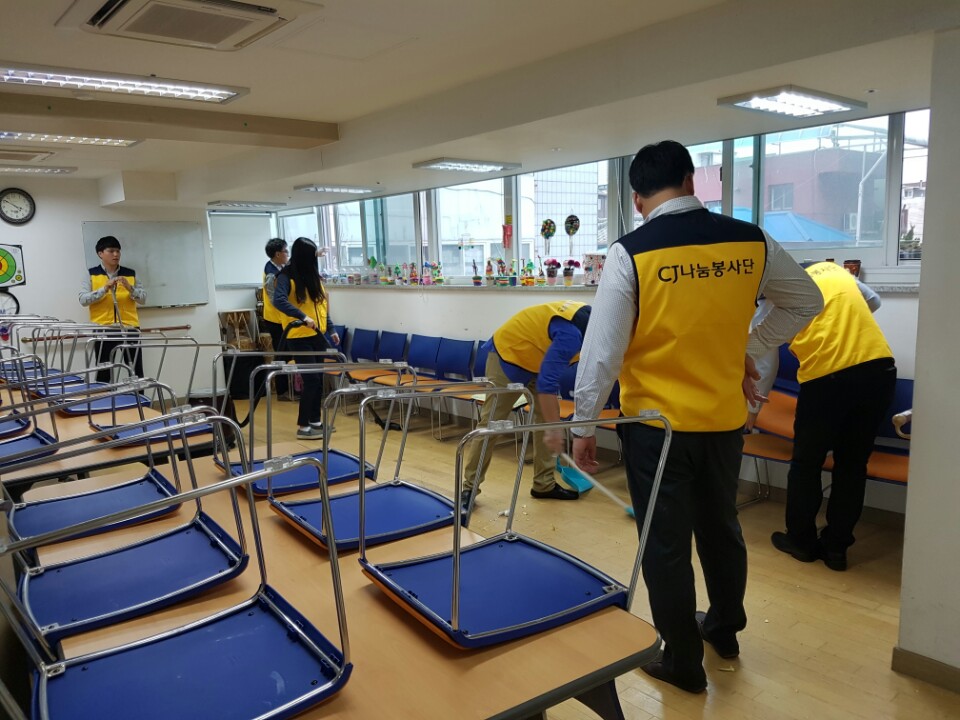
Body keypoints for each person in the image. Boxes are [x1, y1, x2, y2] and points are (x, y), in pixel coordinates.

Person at [571, 140, 823, 694]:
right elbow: (807, 301)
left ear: (637, 199)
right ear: (691, 181)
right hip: (725, 420)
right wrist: (749, 347)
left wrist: (583, 426)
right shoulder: (750, 241)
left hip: (655, 429)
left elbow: (602, 352)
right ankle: (725, 630)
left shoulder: (631, 252)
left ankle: (683, 662)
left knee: (665, 544)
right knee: (721, 528)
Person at [764, 262, 896, 571]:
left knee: (806, 464)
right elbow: (874, 301)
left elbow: (764, 356)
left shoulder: (775, 292)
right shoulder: (833, 271)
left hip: (828, 378)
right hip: (879, 369)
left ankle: (801, 541)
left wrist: (753, 409)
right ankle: (837, 549)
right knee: (852, 464)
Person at [462, 300, 591, 506]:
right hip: (510, 355)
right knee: (492, 424)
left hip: (539, 359)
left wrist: (552, 426)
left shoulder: (591, 326)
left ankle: (543, 485)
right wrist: (554, 431)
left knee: (548, 420)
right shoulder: (572, 334)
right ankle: (468, 489)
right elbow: (547, 384)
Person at [272, 237, 339, 439]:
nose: (314, 259)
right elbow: (278, 301)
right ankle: (303, 426)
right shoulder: (286, 277)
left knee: (318, 380)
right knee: (310, 379)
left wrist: (331, 329)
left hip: (318, 335)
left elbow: (321, 305)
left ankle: (315, 421)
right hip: (299, 336)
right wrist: (302, 317)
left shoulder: (313, 276)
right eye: (312, 256)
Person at [79, 235, 147, 383]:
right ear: (100, 253)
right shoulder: (91, 274)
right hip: (104, 329)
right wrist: (104, 289)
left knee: (136, 370)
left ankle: (138, 397)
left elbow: (143, 299)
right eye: (111, 251)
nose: (116, 254)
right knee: (104, 371)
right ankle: (105, 397)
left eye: (118, 251)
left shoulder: (130, 274)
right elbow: (83, 300)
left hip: (129, 328)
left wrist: (130, 288)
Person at [261, 237, 291, 399]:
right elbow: (275, 299)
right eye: (286, 251)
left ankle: (290, 388)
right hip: (275, 319)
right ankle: (282, 391)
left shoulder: (281, 266)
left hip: (283, 318)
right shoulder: (271, 273)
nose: (288, 254)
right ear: (278, 254)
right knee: (282, 354)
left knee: (288, 353)